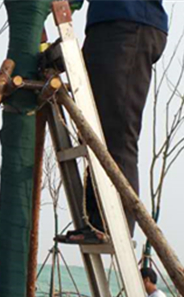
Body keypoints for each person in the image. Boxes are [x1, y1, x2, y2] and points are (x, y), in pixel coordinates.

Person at [60, 0, 168, 244]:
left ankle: (113, 224)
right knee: (92, 131)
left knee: (116, 130)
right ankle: (95, 220)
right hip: (105, 25)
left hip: (129, 23)